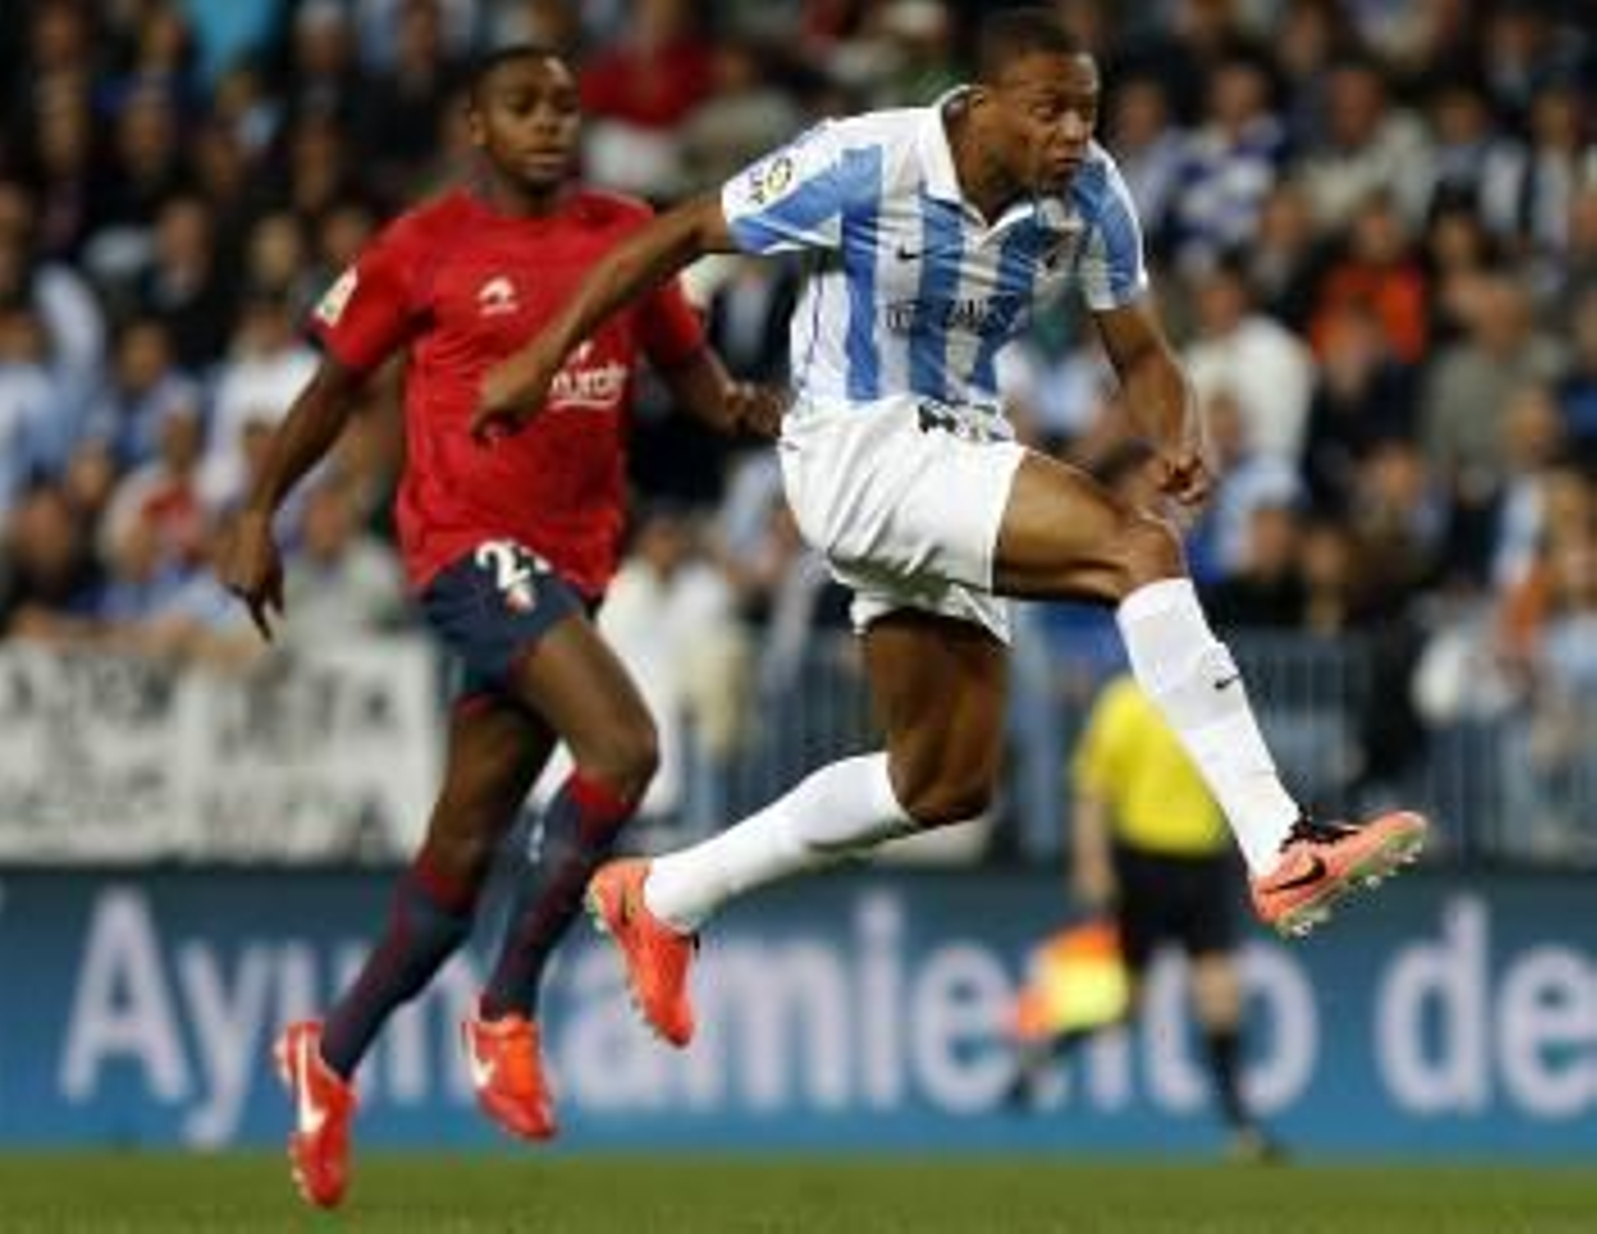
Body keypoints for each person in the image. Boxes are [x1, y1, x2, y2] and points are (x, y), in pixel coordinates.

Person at [473, 9, 1428, 1053]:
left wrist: (1175, 430)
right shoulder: (863, 160)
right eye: (1049, 110)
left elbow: (1141, 350)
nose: (1074, 133)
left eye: (1087, 111)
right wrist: (537, 359)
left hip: (949, 455)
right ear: (981, 106)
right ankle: (1278, 839)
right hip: (854, 444)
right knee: (1136, 549)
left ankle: (665, 894)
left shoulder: (1092, 195)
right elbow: (666, 237)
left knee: (940, 782)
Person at [220, 45, 778, 1208]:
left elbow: (693, 379)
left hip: (569, 574)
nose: (550, 124)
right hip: (466, 553)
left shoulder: (625, 233)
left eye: (566, 107)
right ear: (475, 124)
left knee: (459, 858)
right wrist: (257, 514)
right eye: (523, 106)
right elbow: (328, 389)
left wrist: (755, 412)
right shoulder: (419, 247)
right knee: (625, 748)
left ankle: (326, 1057)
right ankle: (507, 1009)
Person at [1010, 665, 1283, 1162]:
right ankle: (1046, 1046)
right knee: (1125, 1007)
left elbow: (1245, 784)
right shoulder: (1124, 703)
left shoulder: (1217, 701)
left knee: (1221, 997)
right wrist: (1091, 864)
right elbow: (1093, 791)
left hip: (1204, 865)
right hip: (1143, 864)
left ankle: (1242, 1129)